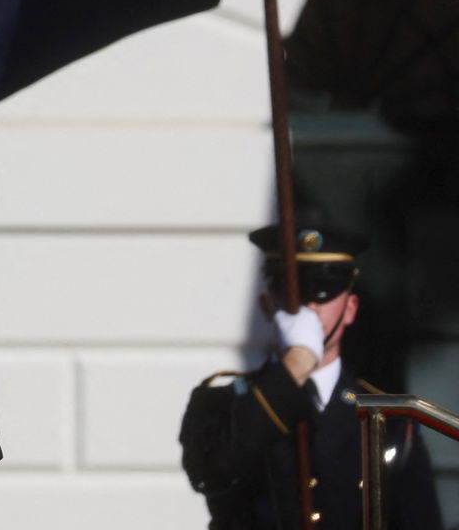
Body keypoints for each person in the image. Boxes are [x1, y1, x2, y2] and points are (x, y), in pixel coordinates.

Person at [180, 224, 442, 530]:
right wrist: (295, 365)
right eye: (294, 292)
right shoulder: (220, 403)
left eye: (324, 291)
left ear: (350, 309)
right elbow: (210, 473)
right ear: (267, 306)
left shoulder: (390, 421)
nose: (309, 306)